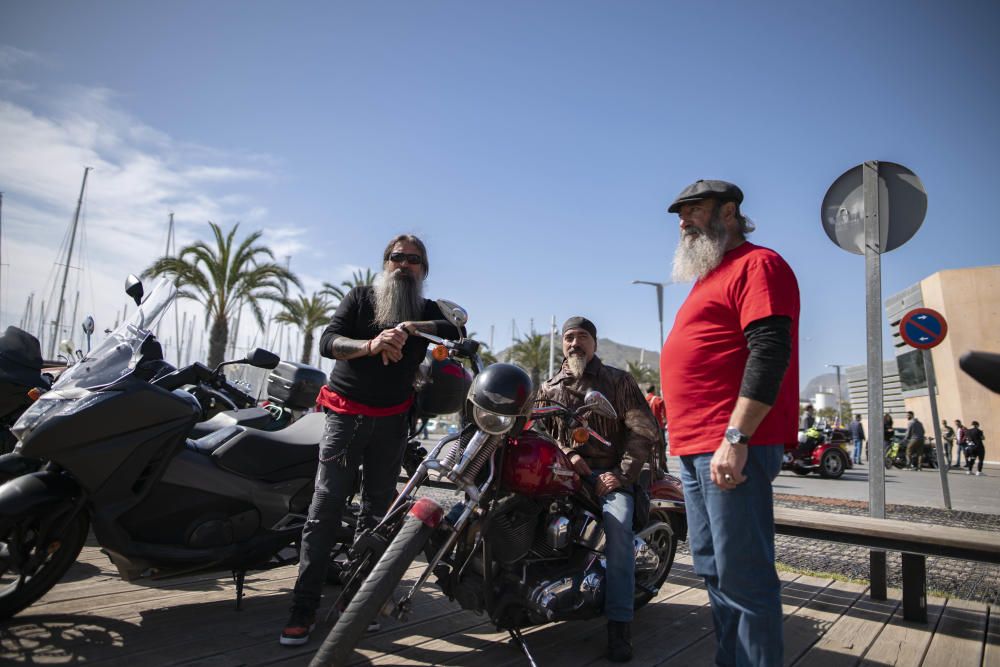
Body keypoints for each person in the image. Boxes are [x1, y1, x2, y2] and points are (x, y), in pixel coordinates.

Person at [279, 234, 462, 647]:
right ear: (385, 262)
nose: (404, 265)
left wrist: (413, 327)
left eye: (414, 260)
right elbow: (329, 342)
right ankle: (303, 608)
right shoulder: (361, 299)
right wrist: (371, 344)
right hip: (346, 417)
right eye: (397, 257)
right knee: (324, 509)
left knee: (378, 514)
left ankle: (355, 603)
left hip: (393, 422)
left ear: (424, 270)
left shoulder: (427, 311)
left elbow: (456, 326)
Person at [660, 179, 799, 666]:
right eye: (680, 213)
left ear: (729, 212)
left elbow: (769, 351)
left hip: (730, 444)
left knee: (744, 576)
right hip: (695, 447)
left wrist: (736, 437)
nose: (682, 221)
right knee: (715, 572)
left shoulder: (759, 264)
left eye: (693, 210)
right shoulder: (708, 277)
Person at [535, 316, 658, 662]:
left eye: (582, 337)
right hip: (563, 472)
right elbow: (538, 428)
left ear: (595, 344)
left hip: (609, 473)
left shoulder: (617, 380)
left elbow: (643, 430)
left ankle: (619, 623)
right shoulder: (549, 387)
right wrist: (569, 453)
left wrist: (620, 474)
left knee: (617, 530)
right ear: (562, 344)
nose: (575, 344)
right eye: (569, 338)